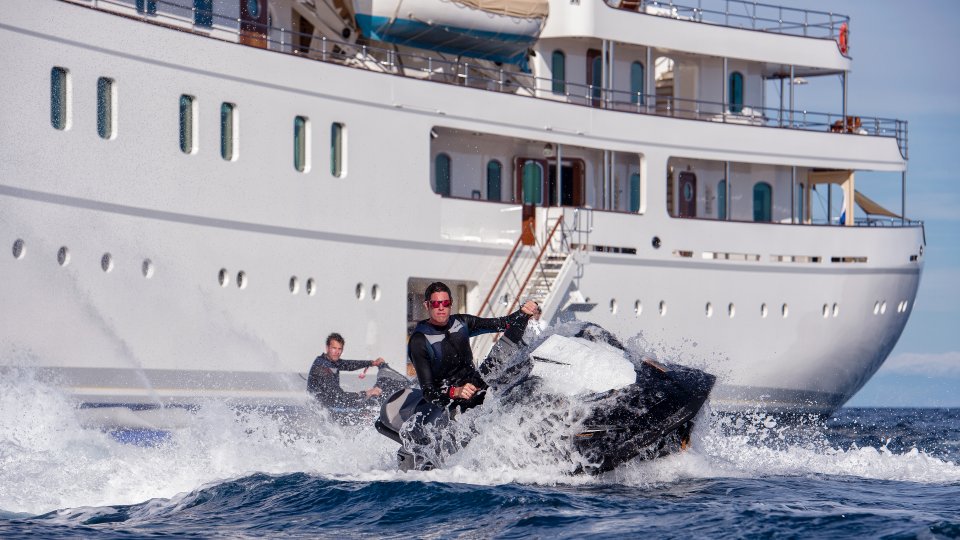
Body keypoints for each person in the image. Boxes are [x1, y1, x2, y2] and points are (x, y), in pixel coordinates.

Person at [407, 281, 539, 414]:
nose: (441, 308)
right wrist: (456, 392)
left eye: (445, 303)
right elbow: (428, 392)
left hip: (477, 383)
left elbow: (504, 323)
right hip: (453, 400)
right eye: (436, 304)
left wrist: (523, 312)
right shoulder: (419, 341)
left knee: (521, 363)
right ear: (427, 305)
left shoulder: (462, 322)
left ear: (451, 303)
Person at [307, 332, 385, 409]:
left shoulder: (329, 361)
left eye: (339, 349)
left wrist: (371, 363)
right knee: (369, 407)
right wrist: (366, 393)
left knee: (368, 403)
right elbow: (339, 396)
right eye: (334, 348)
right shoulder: (322, 367)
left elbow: (348, 364)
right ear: (327, 348)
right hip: (322, 410)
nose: (337, 352)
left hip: (331, 403)